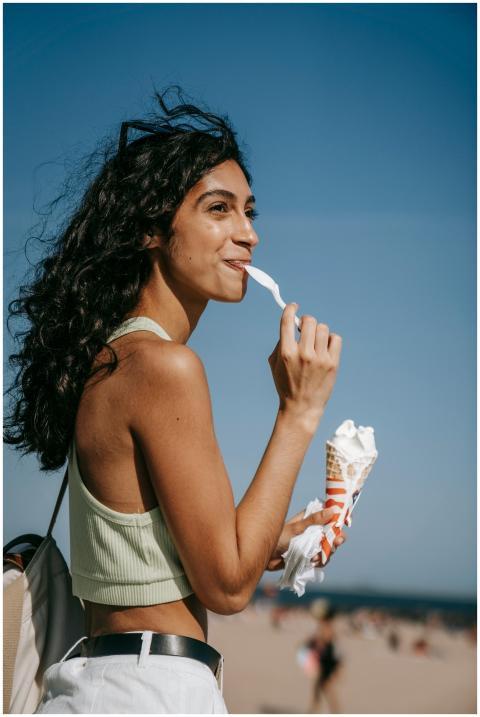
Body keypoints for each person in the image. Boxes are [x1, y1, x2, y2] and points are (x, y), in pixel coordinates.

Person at [4, 87, 345, 714]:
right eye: (219, 209)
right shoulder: (165, 366)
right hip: (149, 689)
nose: (248, 235)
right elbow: (226, 586)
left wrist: (268, 538)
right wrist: (299, 412)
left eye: (250, 211)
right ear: (149, 231)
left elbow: (174, 557)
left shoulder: (115, 359)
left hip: (103, 683)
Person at [306, 606, 343, 714]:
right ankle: (314, 710)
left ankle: (333, 712)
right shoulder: (329, 626)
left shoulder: (326, 627)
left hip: (328, 661)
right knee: (319, 687)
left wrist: (313, 642)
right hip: (327, 660)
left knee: (326, 688)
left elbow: (324, 642)